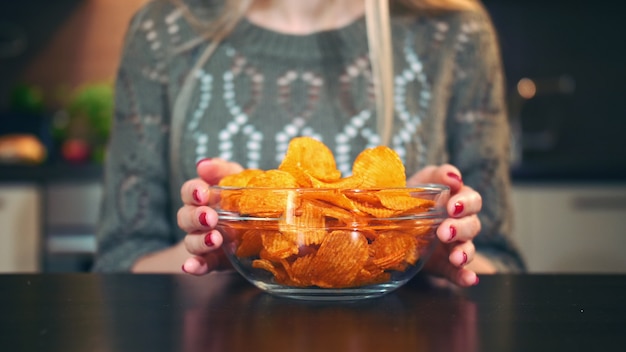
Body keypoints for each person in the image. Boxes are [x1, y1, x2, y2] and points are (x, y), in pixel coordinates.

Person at [93, 0, 526, 287]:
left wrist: (422, 245)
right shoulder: (164, 31)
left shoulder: (454, 33)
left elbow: (501, 264)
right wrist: (225, 245)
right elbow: (119, 261)